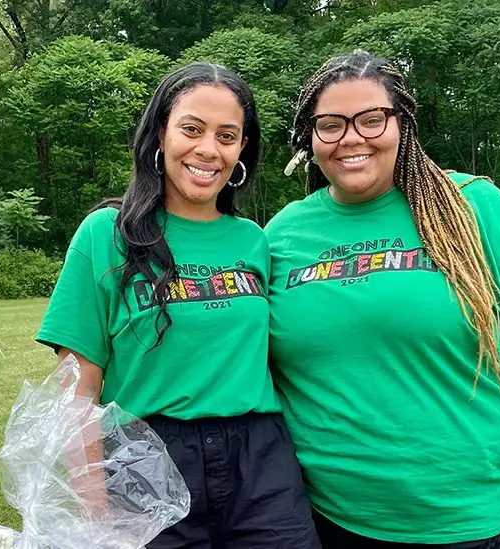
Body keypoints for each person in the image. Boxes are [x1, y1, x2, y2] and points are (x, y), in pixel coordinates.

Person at [265, 51, 500, 549]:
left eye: (372, 119)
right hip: (325, 519)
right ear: (310, 138)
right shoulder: (283, 234)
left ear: (402, 125)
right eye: (330, 125)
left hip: (464, 520)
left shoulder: (473, 207)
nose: (352, 138)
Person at [35, 62, 320, 548]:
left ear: (242, 150)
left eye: (228, 136)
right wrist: (94, 512)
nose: (209, 149)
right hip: (144, 457)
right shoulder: (106, 235)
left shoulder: (254, 241)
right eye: (192, 128)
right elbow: (77, 391)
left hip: (260, 461)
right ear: (160, 135)